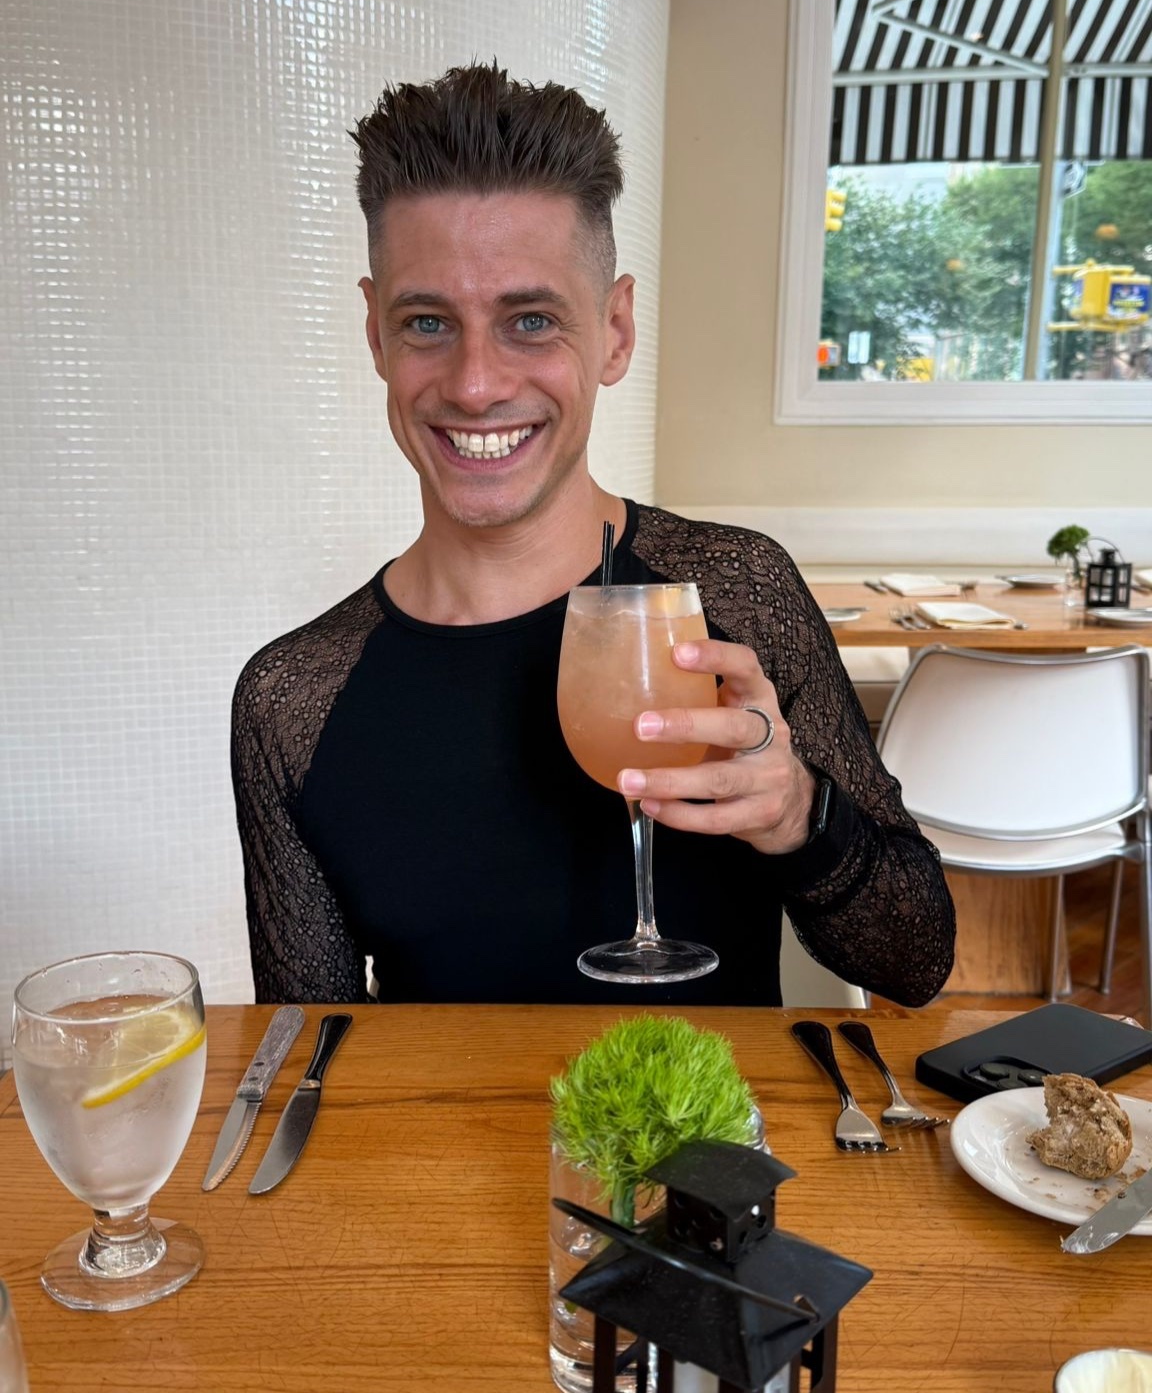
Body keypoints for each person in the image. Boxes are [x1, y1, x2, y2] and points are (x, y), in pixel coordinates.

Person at [233, 63, 955, 1008]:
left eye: (531, 320)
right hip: (444, 1151)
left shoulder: (730, 594)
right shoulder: (291, 701)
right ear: (375, 334)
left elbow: (917, 961)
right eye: (426, 323)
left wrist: (798, 814)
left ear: (613, 332)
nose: (478, 383)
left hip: (711, 1154)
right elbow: (314, 1058)